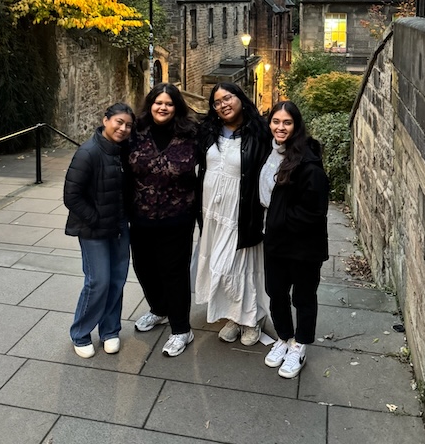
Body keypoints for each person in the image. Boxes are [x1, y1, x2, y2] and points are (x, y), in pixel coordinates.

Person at [194, 82, 270, 346]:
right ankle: (233, 317)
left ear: (240, 98)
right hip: (212, 212)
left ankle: (251, 318)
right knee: (221, 266)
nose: (223, 104)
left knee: (238, 267)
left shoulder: (259, 132)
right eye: (217, 102)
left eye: (228, 98)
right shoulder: (208, 131)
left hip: (241, 211)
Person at [127, 83, 198, 357]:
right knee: (143, 267)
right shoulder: (136, 132)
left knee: (174, 274)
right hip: (141, 216)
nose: (163, 107)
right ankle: (159, 309)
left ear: (176, 107)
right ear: (150, 104)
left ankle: (182, 329)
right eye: (158, 102)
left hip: (177, 218)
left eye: (168, 103)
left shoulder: (191, 135)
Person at [259, 101, 329, 378]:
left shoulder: (308, 163)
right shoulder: (270, 152)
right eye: (276, 121)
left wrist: (279, 221)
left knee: (302, 296)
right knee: (276, 292)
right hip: (274, 239)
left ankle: (300, 344)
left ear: (296, 126)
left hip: (302, 245)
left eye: (287, 122)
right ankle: (285, 338)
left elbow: (314, 211)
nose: (280, 127)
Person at [64, 102, 135, 359]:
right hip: (93, 229)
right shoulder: (88, 152)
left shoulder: (124, 151)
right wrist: (96, 219)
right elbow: (71, 196)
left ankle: (110, 330)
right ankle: (81, 333)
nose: (123, 128)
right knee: (98, 281)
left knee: (116, 280)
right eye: (119, 122)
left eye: (128, 125)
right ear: (106, 120)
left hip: (119, 226)